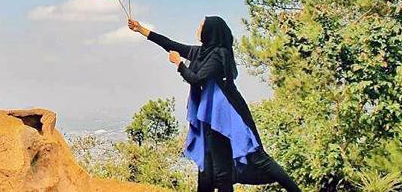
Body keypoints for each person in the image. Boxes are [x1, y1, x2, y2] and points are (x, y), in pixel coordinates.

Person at [128, 16, 301, 192]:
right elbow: (169, 44)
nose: (198, 28)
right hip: (211, 116)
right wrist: (140, 29)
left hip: (227, 114)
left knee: (257, 157)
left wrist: (179, 64)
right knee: (215, 168)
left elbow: (197, 79)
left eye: (202, 25)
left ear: (210, 31)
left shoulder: (219, 54)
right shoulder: (200, 52)